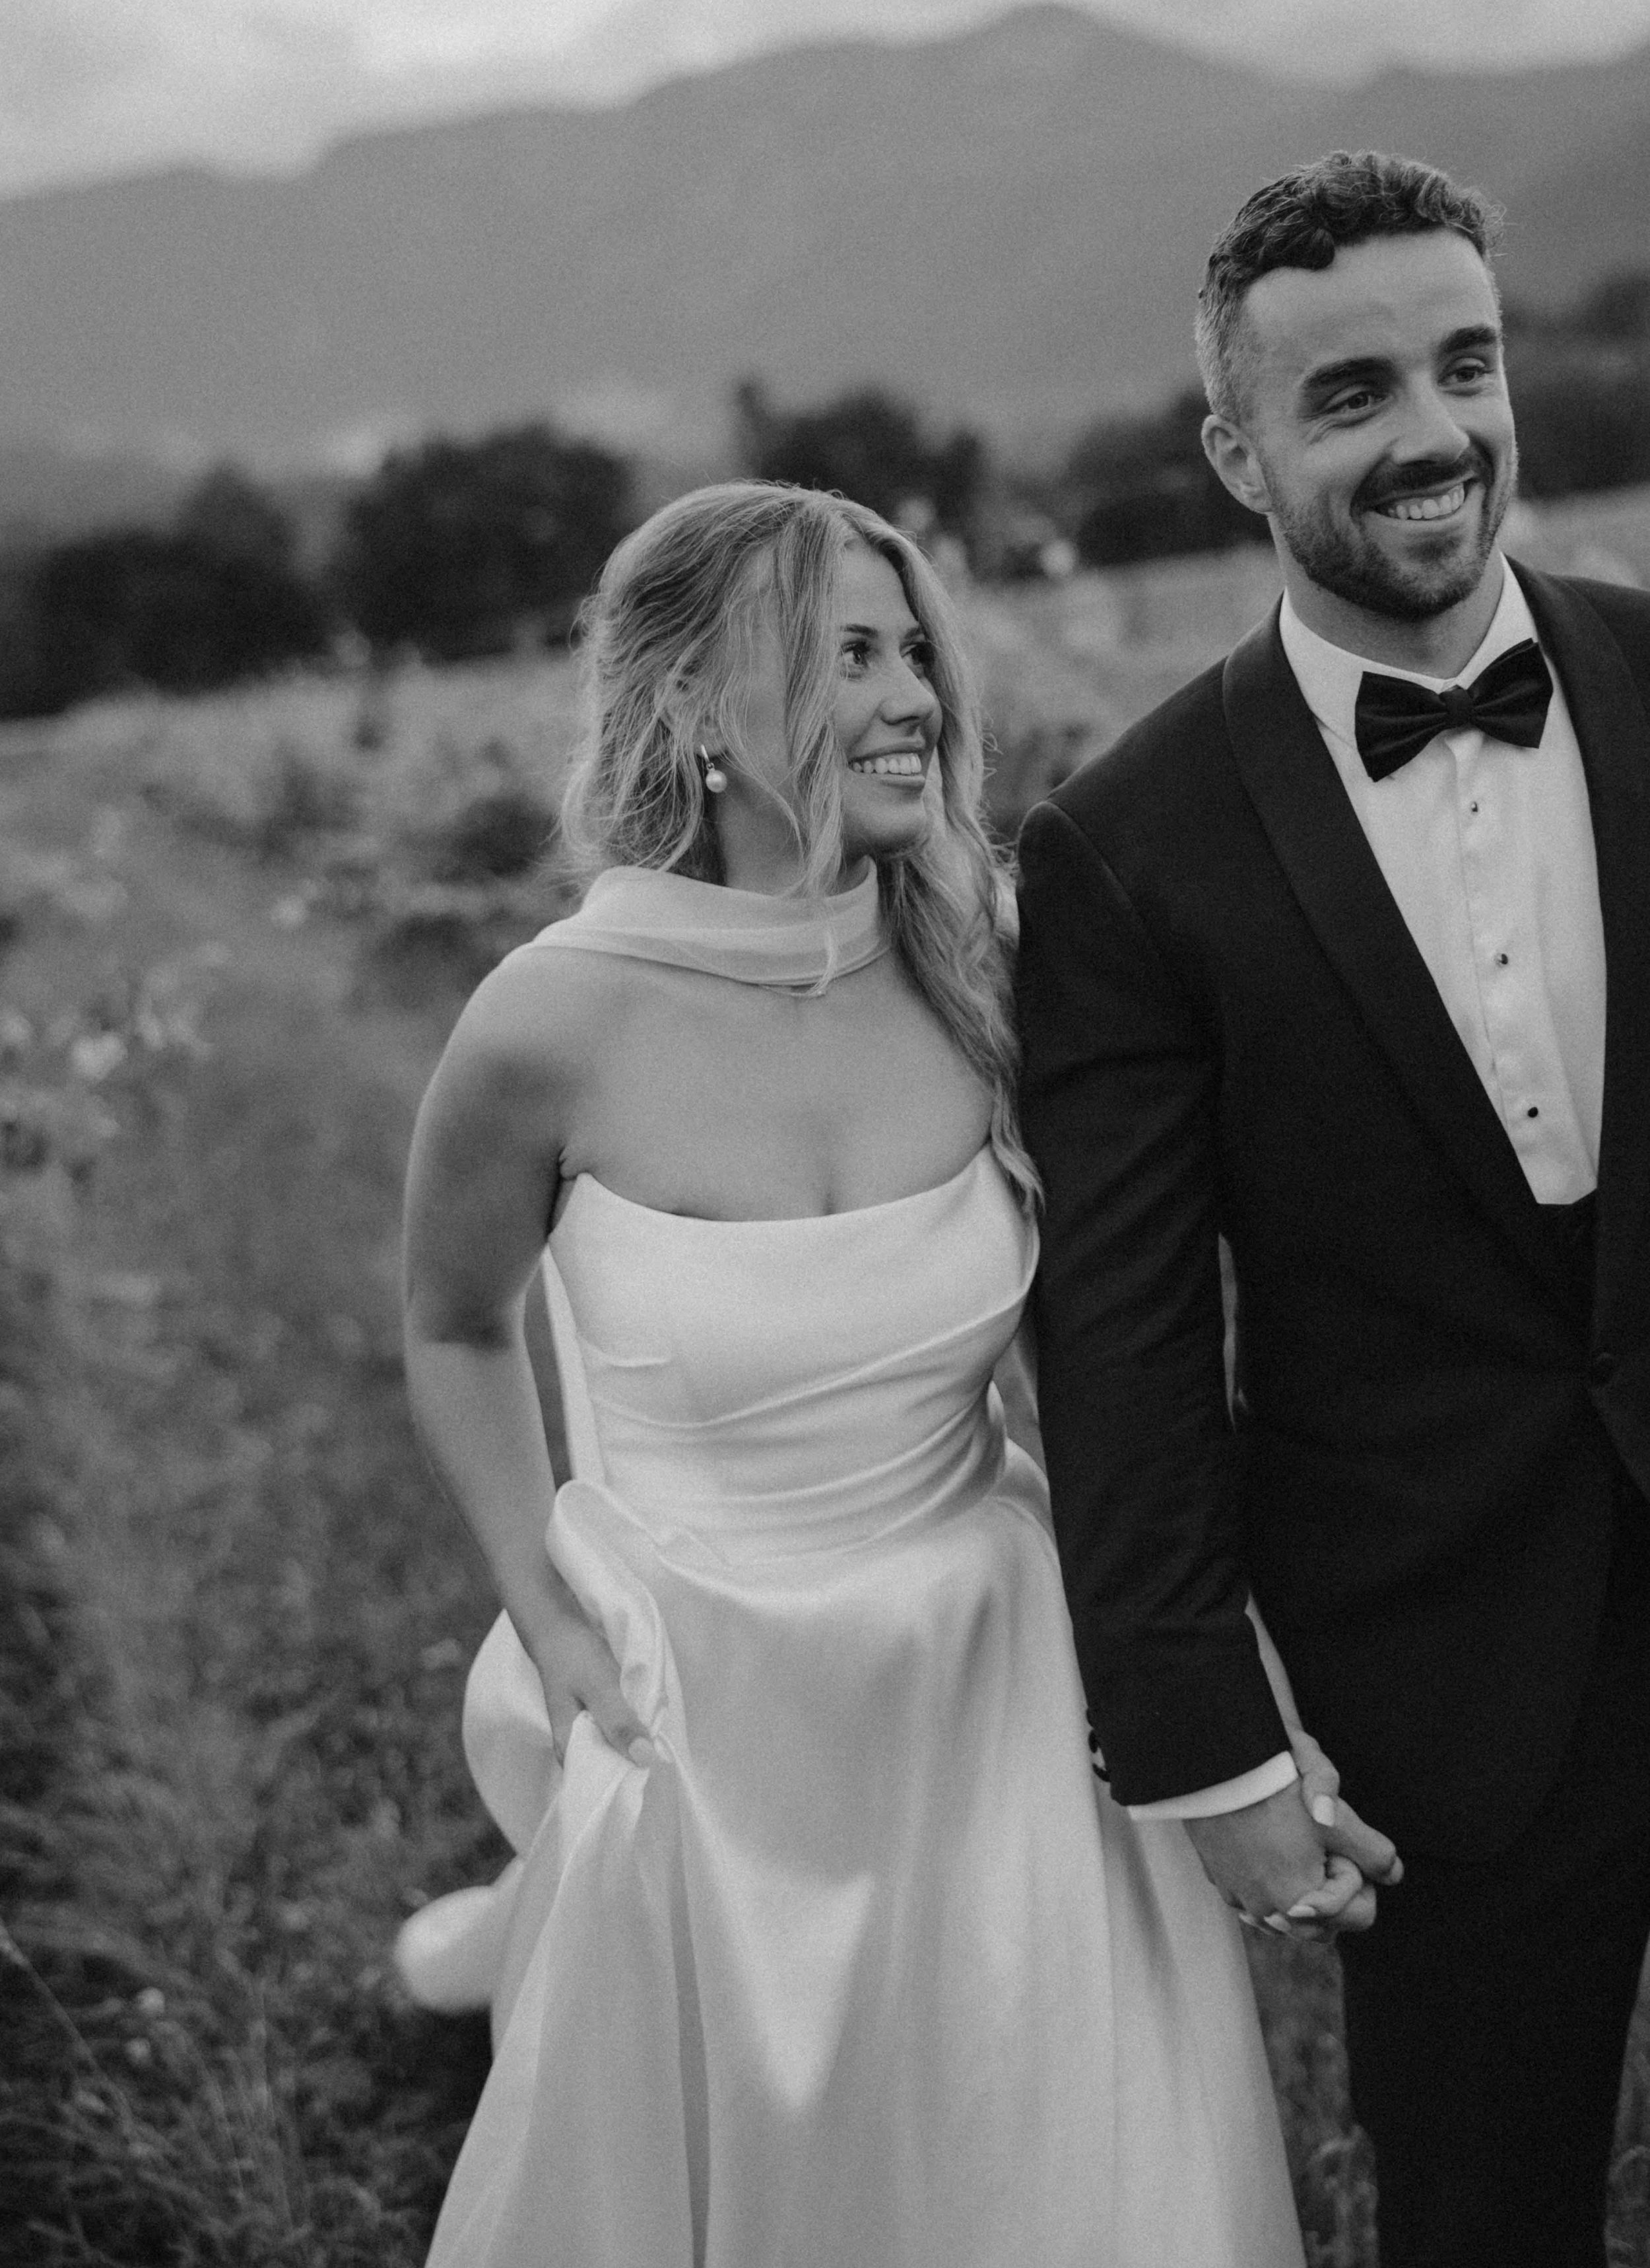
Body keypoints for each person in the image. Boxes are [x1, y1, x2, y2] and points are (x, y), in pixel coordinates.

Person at [395, 482, 1330, 2267]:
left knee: (1033, 2153)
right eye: (845, 657)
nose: (913, 696)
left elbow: (1102, 1367)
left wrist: (1228, 1684)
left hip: (991, 1666)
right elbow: (452, 1323)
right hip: (703, 1694)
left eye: (914, 651)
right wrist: (541, 1592)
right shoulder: (545, 1022)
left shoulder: (985, 961)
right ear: (693, 706)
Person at [1016, 150, 1650, 2268]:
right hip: (1438, 1674)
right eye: (1349, 393)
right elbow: (1118, 1335)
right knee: (1485, 2214)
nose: (1431, 433)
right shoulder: (1125, 849)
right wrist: (1200, 1736)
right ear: (1236, 454)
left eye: (1463, 365)